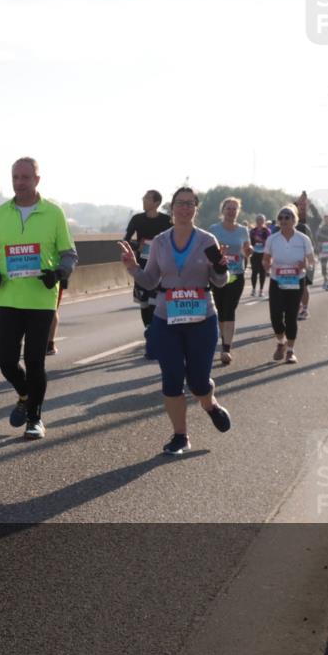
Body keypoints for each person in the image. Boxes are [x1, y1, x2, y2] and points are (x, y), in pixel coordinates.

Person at [118, 186, 232, 455]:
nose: (185, 208)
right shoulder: (159, 241)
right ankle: (180, 436)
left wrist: (219, 267)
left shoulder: (207, 240)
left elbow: (220, 281)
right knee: (171, 379)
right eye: (180, 203)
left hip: (201, 319)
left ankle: (210, 404)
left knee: (199, 382)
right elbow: (150, 280)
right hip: (166, 319)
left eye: (190, 203)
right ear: (172, 208)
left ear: (196, 208)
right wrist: (133, 266)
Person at [0, 157, 77, 440]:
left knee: (35, 361)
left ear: (37, 180)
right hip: (10, 297)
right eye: (15, 177)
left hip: (41, 299)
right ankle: (25, 394)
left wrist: (59, 273)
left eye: (26, 177)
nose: (20, 182)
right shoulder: (0, 213)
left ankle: (35, 418)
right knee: (5, 360)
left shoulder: (54, 213)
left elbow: (69, 254)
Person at [123, 190, 173, 358]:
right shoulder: (137, 219)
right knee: (144, 303)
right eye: (143, 197)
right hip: (141, 267)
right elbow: (126, 239)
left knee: (155, 303)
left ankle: (153, 339)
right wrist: (138, 245)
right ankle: (150, 331)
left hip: (160, 268)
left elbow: (175, 240)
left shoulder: (166, 221)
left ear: (156, 202)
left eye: (147, 198)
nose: (143, 200)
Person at [263, 205, 316, 364]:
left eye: (288, 217)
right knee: (275, 316)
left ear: (294, 220)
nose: (284, 220)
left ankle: (291, 351)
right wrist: (267, 265)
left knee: (291, 316)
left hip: (296, 280)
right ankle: (281, 342)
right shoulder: (272, 238)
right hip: (277, 280)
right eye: (281, 218)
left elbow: (312, 261)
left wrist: (305, 265)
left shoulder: (303, 238)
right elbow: (266, 259)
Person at [207, 197, 251, 365]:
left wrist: (249, 250)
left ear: (238, 211)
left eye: (234, 209)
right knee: (219, 309)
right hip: (218, 275)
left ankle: (226, 348)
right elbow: (207, 251)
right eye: (228, 208)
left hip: (236, 274)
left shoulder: (243, 230)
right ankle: (222, 340)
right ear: (222, 210)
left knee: (229, 309)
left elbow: (246, 251)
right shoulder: (214, 229)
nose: (231, 211)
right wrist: (219, 255)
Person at [294, 193, 315, 320]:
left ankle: (304, 309)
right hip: (291, 259)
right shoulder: (290, 219)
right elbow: (291, 207)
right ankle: (295, 308)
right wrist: (299, 201)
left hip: (306, 257)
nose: (302, 206)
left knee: (304, 286)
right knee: (292, 286)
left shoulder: (311, 220)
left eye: (305, 204)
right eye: (300, 204)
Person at [249, 214, 270, 297]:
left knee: (262, 272)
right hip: (254, 253)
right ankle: (253, 289)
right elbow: (249, 241)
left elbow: (268, 242)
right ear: (256, 221)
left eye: (261, 220)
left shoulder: (266, 231)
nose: (259, 222)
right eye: (258, 220)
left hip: (263, 253)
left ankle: (261, 290)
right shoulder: (253, 231)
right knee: (254, 272)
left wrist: (260, 240)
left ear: (264, 221)